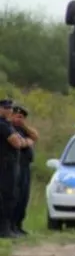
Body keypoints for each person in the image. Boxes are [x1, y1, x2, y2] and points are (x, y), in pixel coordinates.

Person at [0, 99, 30, 238]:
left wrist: (21, 140)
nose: (9, 110)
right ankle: (5, 229)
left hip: (12, 165)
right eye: (6, 108)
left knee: (13, 196)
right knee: (7, 196)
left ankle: (9, 228)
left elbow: (24, 139)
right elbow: (17, 143)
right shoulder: (3, 125)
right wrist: (23, 141)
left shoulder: (8, 125)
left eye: (10, 108)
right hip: (5, 165)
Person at [10, 105, 37, 236]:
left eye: (22, 117)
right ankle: (11, 225)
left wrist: (24, 126)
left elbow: (35, 136)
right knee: (14, 196)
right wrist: (27, 142)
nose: (19, 119)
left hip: (25, 166)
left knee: (23, 197)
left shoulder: (23, 129)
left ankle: (18, 225)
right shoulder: (9, 128)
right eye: (17, 116)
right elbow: (20, 143)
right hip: (14, 167)